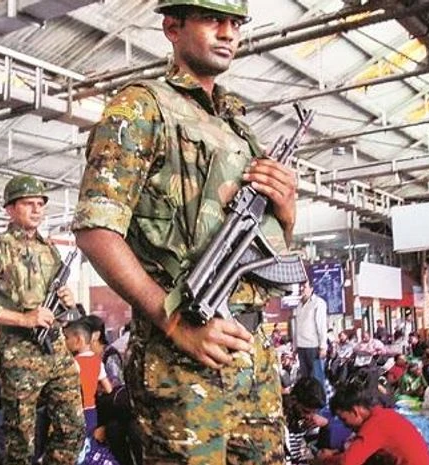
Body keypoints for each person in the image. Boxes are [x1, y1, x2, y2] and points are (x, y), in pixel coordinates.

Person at [71, 0, 296, 462]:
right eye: (213, 19)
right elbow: (96, 229)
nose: (228, 32)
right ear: (172, 26)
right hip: (181, 361)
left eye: (235, 23)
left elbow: (271, 247)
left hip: (252, 354)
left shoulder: (237, 126)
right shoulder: (141, 106)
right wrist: (174, 323)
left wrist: (287, 211)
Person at [0, 175, 84, 465]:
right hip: (20, 353)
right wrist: (24, 318)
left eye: (40, 203)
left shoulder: (49, 249)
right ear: (10, 209)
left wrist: (67, 303)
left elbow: (61, 312)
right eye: (28, 203)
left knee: (73, 429)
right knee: (20, 441)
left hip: (56, 349)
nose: (37, 209)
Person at [314, 380, 429, 465]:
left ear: (355, 411)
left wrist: (324, 461)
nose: (345, 425)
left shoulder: (374, 425)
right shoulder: (384, 415)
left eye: (344, 419)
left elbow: (348, 462)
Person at [64, 319, 113, 436]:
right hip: (91, 410)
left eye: (66, 338)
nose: (64, 342)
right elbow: (109, 389)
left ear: (78, 340)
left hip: (76, 410)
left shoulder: (73, 363)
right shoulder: (98, 362)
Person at [294, 280, 328, 384]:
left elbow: (322, 326)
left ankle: (320, 400)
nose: (301, 289)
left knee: (316, 379)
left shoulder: (318, 303)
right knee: (305, 380)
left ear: (311, 289)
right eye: (300, 287)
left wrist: (323, 347)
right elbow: (297, 327)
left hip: (314, 347)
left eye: (304, 287)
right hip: (301, 346)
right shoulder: (299, 305)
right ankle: (308, 400)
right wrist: (295, 345)